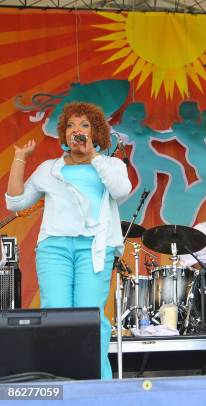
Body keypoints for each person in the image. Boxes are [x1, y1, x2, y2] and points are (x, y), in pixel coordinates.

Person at [5, 102, 132, 379]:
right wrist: (20, 158)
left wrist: (93, 157)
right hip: (54, 249)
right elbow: (16, 202)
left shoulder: (109, 164)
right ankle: (58, 380)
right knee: (55, 315)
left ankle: (97, 385)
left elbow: (122, 191)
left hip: (95, 248)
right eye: (72, 126)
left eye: (84, 125)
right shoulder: (49, 168)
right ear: (64, 134)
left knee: (90, 316)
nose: (77, 131)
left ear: (96, 133)